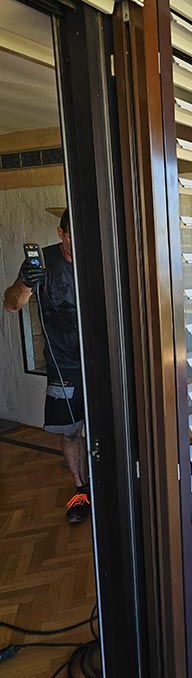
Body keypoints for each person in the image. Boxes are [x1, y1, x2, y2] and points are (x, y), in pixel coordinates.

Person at [3, 208, 90, 523]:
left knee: (110, 426)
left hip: (104, 362)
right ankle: (80, 489)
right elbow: (11, 304)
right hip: (63, 363)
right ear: (60, 233)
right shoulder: (44, 263)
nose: (79, 245)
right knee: (70, 432)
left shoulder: (98, 256)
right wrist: (27, 282)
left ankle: (108, 483)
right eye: (72, 237)